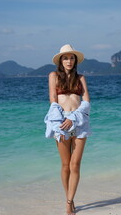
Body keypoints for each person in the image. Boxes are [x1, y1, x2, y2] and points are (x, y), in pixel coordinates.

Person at [44, 44, 91, 215]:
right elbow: (53, 100)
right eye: (65, 58)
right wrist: (63, 120)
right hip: (61, 123)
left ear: (75, 60)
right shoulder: (53, 76)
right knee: (65, 165)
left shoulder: (81, 78)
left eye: (71, 58)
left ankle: (69, 202)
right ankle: (68, 199)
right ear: (60, 61)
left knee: (75, 164)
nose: (69, 61)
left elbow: (86, 102)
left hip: (79, 123)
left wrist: (73, 118)